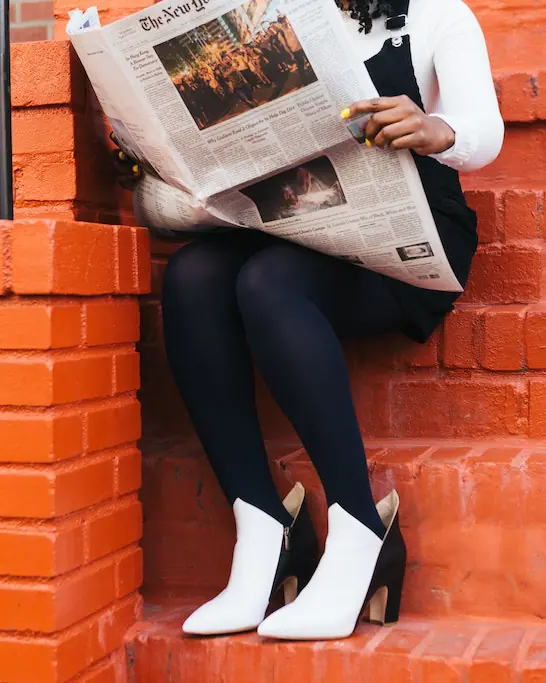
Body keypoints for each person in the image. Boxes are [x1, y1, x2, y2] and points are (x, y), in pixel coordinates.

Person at [116, 0, 504, 641]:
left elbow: (483, 130)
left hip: (403, 234)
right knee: (189, 276)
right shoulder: (265, 16)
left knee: (266, 283)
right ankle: (264, 528)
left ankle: (360, 531)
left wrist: (438, 130)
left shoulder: (438, 15)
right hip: (298, 228)